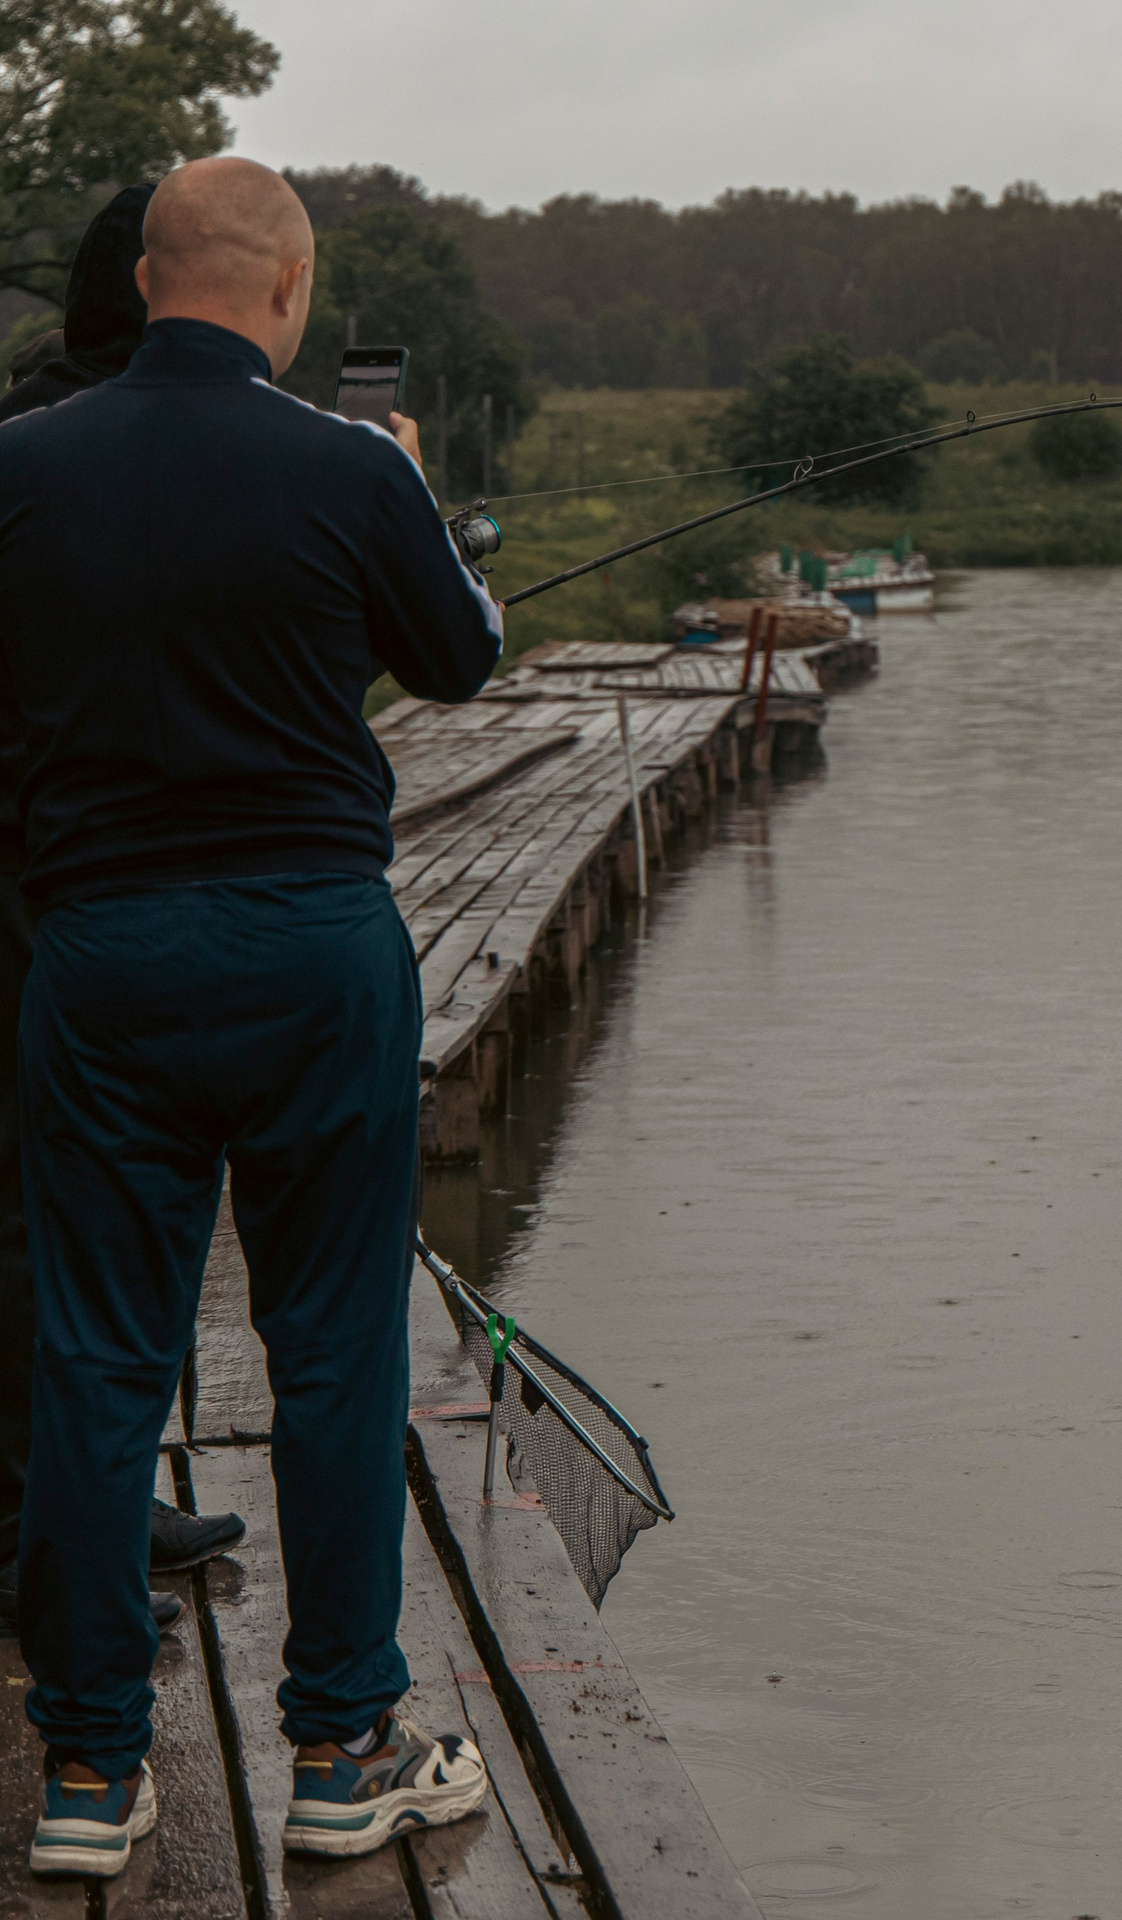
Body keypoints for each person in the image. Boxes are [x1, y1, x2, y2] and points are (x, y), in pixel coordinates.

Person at [0, 156, 503, 1879]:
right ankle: (349, 1744)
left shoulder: (17, 467)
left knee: (94, 1353)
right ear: (287, 293)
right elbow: (459, 661)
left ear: (148, 279)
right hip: (312, 954)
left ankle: (83, 1770)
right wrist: (412, 508)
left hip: (101, 958)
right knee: (336, 1354)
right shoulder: (353, 466)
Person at [0, 187, 249, 1644]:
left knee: (80, 1204)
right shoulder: (72, 452)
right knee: (47, 1209)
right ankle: (40, 1539)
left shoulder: (51, 426)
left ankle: (92, 1506)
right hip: (45, 888)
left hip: (67, 881)